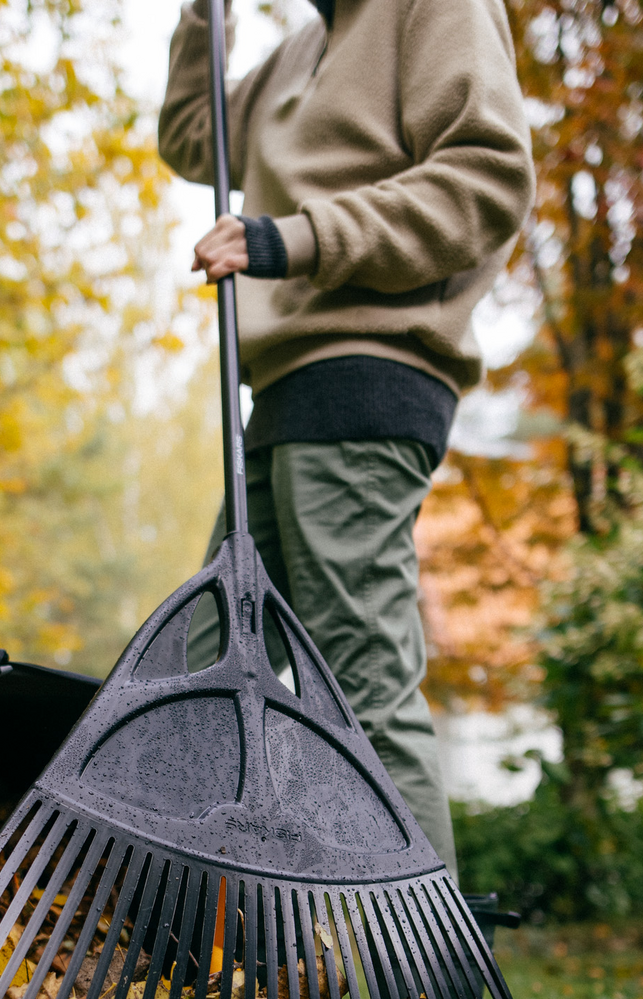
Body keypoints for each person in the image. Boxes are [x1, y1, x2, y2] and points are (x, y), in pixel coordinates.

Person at [159, 0, 534, 880]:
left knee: (361, 682)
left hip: (371, 374)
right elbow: (189, 137)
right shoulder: (300, 50)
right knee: (208, 672)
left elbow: (486, 182)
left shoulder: (431, 9)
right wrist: (196, 23)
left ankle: (426, 995)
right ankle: (212, 942)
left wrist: (290, 238)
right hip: (281, 390)